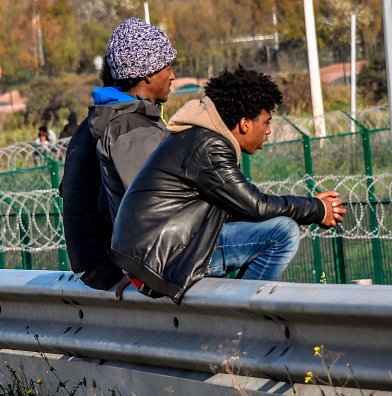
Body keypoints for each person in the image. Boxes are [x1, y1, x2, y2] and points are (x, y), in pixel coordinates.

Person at [110, 65, 346, 304]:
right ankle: (244, 319)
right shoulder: (209, 146)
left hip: (154, 255)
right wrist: (318, 209)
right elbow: (256, 206)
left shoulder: (196, 137)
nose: (269, 131)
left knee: (270, 227)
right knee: (282, 232)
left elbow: (238, 210)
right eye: (266, 122)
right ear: (245, 123)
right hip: (167, 256)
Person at [60, 17, 177, 289]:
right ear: (148, 73)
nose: (172, 76)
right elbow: (144, 207)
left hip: (95, 265)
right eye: (168, 67)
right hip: (113, 267)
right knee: (277, 235)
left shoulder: (97, 120)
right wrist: (135, 269)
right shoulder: (128, 125)